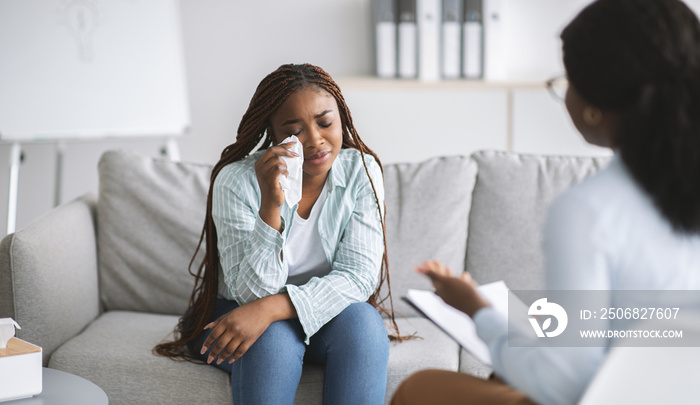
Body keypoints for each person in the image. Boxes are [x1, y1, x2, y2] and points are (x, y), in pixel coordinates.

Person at [391, 0, 700, 404]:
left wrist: (479, 313)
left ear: (593, 107)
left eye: (566, 80)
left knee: (420, 388)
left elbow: (562, 384)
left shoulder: (590, 210)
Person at [155, 63, 402, 405]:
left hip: (311, 313)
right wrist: (271, 206)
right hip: (239, 308)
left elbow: (358, 277)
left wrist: (272, 309)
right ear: (272, 131)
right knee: (273, 339)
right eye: (296, 130)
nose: (315, 140)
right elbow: (252, 294)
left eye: (325, 122)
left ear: (341, 117)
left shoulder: (362, 170)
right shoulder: (235, 181)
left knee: (364, 324)